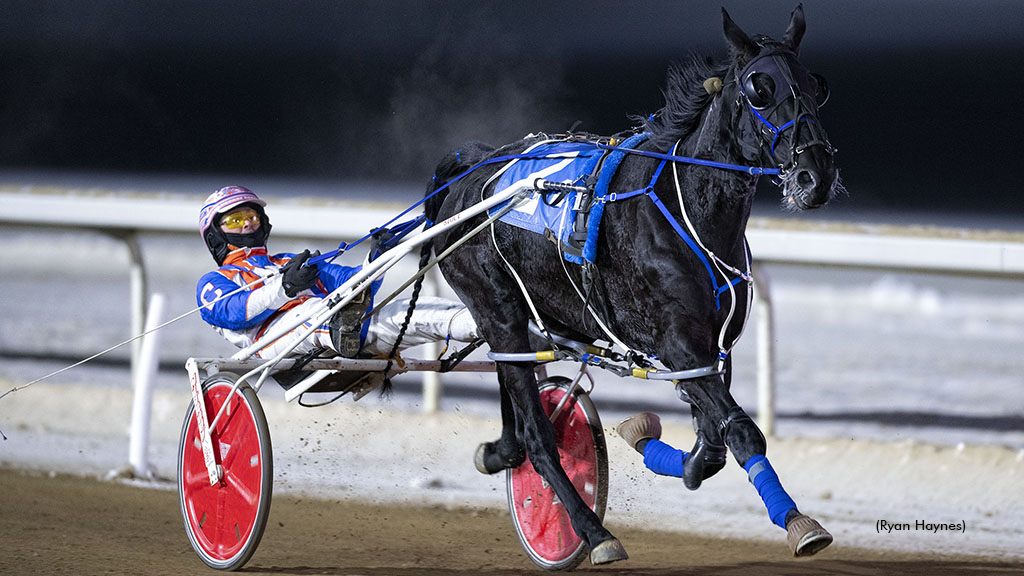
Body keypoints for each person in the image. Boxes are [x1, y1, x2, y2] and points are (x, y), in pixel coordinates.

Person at [196, 185, 478, 367]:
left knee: (412, 310)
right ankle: (339, 329)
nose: (246, 223)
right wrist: (286, 287)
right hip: (271, 341)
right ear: (215, 234)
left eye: (252, 217)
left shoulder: (287, 261)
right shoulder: (214, 282)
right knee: (311, 310)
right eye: (234, 220)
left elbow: (355, 285)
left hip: (344, 328)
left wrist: (378, 257)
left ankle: (488, 325)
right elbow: (234, 312)